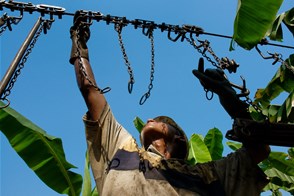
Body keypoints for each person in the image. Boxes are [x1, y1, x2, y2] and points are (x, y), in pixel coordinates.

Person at [69, 11, 270, 196]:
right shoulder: (123, 151)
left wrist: (228, 96)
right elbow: (90, 90)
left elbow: (258, 149)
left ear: (180, 138)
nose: (149, 119)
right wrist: (78, 44)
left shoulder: (208, 174)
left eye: (160, 121)